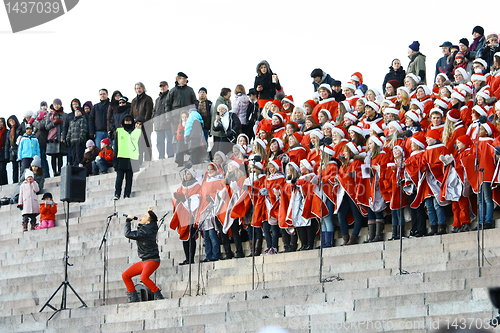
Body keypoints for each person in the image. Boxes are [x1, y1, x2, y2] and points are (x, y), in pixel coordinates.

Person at [122, 207, 164, 302]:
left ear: (148, 222)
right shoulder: (147, 228)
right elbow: (152, 222)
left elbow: (128, 234)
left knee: (144, 277)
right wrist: (149, 212)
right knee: (126, 275)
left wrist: (128, 221)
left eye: (144, 216)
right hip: (144, 261)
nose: (142, 216)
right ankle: (134, 297)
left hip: (152, 260)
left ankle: (158, 295)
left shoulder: (145, 232)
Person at [171, 168, 201, 265]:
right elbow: (176, 201)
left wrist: (187, 200)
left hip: (191, 214)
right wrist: (178, 199)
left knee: (191, 236)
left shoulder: (197, 186)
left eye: (188, 174)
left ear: (192, 175)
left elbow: (198, 198)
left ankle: (191, 258)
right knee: (184, 236)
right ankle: (187, 258)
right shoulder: (181, 187)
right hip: (182, 215)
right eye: (185, 174)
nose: (186, 176)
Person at [113, 115, 141, 200]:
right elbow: (116, 145)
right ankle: (117, 194)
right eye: (126, 120)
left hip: (131, 158)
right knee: (119, 178)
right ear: (123, 121)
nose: (128, 122)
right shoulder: (119, 131)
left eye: (129, 121)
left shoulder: (136, 131)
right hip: (121, 157)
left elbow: (140, 144)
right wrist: (115, 158)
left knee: (129, 178)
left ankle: (127, 194)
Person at [165, 72, 197, 139]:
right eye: (183, 79)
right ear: (178, 79)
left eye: (186, 79)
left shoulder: (190, 90)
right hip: (175, 118)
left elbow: (195, 102)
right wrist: (168, 116)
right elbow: (168, 104)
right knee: (176, 137)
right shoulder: (172, 91)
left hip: (187, 117)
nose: (185, 80)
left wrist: (193, 114)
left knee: (187, 135)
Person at [33, 102, 50, 178]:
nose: (44, 107)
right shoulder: (37, 114)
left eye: (45, 106)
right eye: (42, 106)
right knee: (38, 159)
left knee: (43, 158)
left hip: (43, 139)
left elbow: (41, 126)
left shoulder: (47, 115)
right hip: (37, 140)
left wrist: (34, 122)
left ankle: (46, 174)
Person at [0, 117, 7, 185]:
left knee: (2, 169)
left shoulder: (6, 131)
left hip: (3, 152)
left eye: (1, 122)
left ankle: (4, 183)